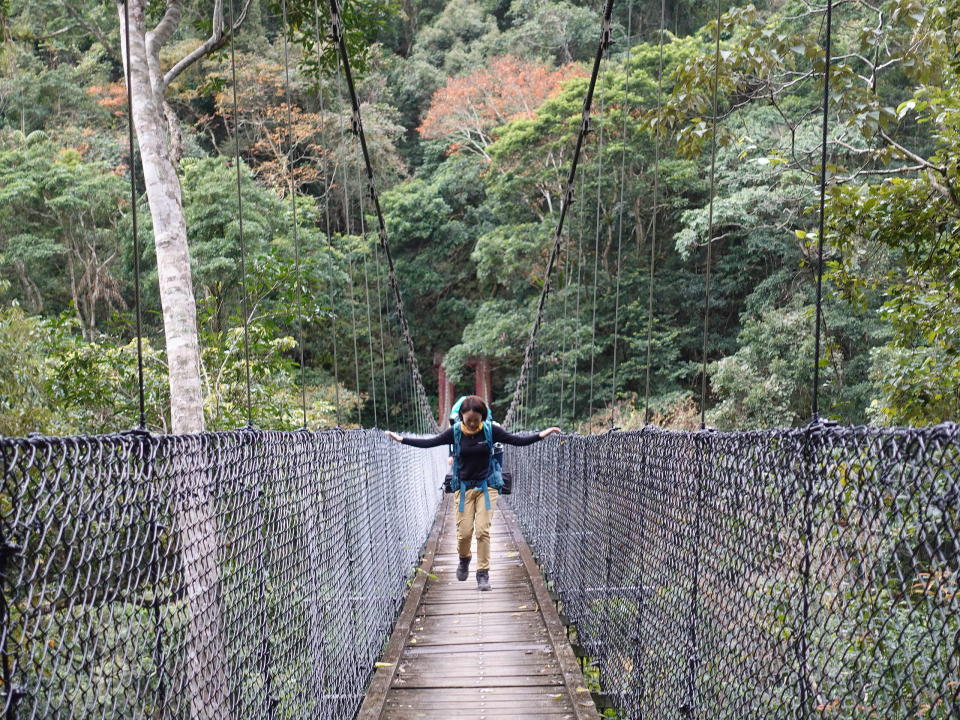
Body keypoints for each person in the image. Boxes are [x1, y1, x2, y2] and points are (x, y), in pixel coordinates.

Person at [386, 395, 560, 591]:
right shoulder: (455, 432)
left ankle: (483, 574)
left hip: (488, 486)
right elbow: (429, 444)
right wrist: (401, 440)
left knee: (483, 530)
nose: (472, 424)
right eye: (468, 420)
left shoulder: (490, 430)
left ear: (482, 418)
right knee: (464, 533)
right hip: (463, 487)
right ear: (461, 416)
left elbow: (516, 441)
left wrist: (542, 434)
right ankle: (464, 559)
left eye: (476, 420)